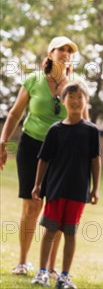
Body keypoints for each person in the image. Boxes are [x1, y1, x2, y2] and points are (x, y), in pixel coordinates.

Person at [0, 36, 88, 277]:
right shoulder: (33, 80)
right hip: (31, 147)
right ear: (50, 54)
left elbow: (85, 122)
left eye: (70, 51)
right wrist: (3, 141)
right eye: (61, 49)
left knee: (56, 208)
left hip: (63, 153)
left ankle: (48, 267)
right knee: (32, 206)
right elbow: (15, 113)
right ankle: (22, 261)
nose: (66, 54)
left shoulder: (75, 85)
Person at [31, 82, 101, 289]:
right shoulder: (55, 130)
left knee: (70, 234)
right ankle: (43, 272)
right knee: (50, 232)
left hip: (78, 192)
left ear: (86, 102)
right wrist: (37, 185)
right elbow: (43, 159)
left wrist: (95, 188)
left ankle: (63, 276)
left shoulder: (91, 131)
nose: (76, 101)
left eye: (80, 97)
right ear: (63, 101)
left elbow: (95, 160)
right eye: (71, 97)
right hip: (55, 190)